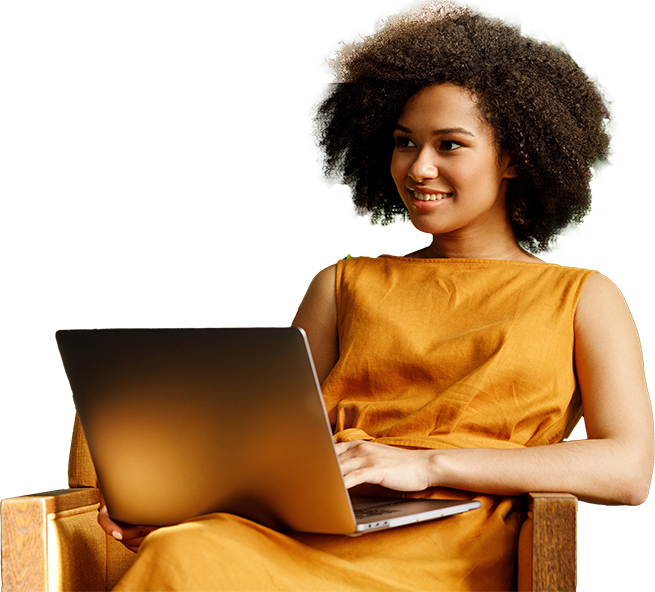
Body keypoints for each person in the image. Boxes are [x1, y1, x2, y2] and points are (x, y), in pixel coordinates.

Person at [91, 1, 653, 590]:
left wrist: (426, 464)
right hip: (320, 520)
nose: (418, 168)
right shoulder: (341, 286)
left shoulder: (584, 296)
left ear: (515, 156)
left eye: (450, 145)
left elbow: (627, 469)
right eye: (404, 142)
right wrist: (170, 493)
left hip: (453, 540)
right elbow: (266, 442)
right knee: (184, 549)